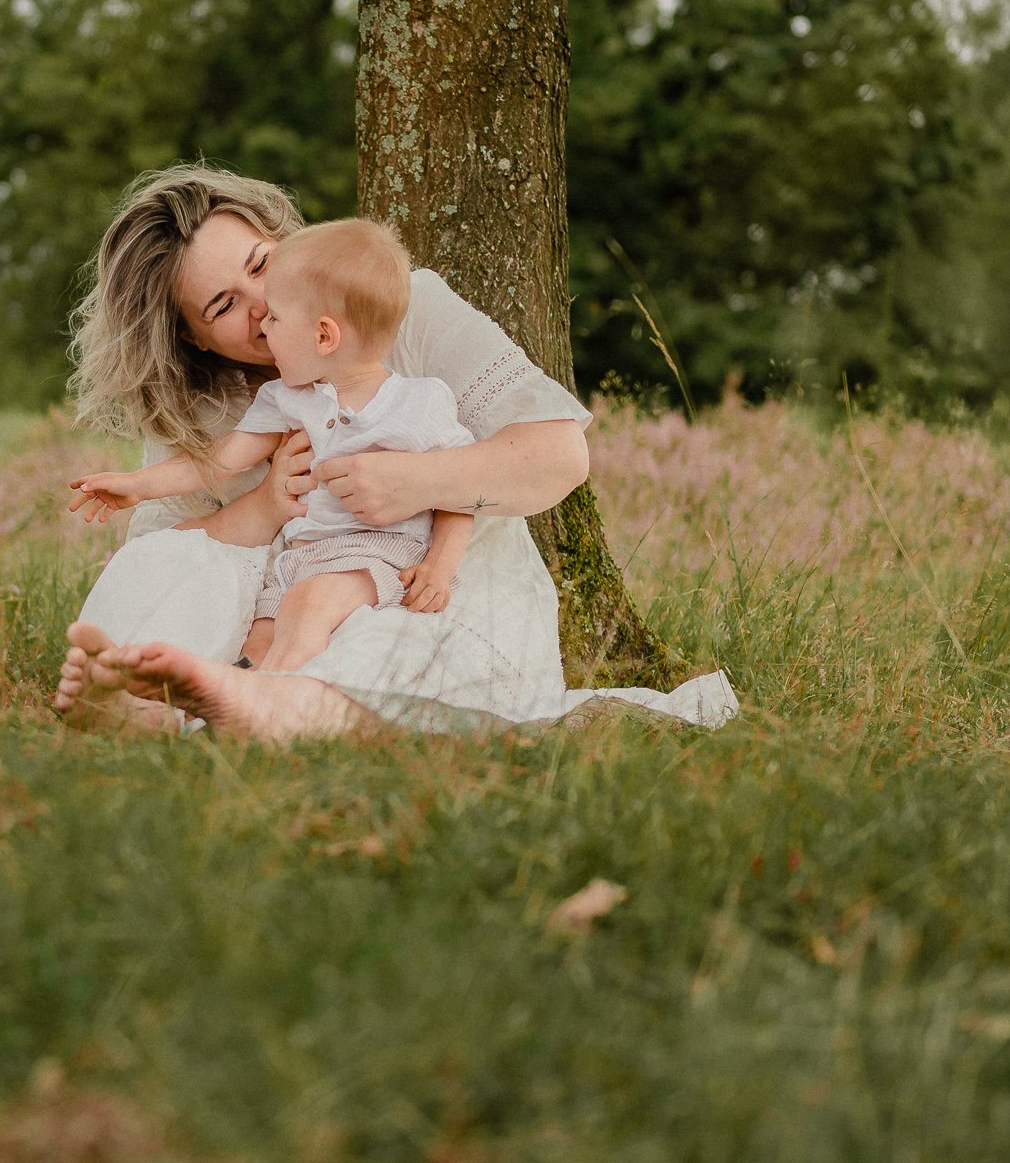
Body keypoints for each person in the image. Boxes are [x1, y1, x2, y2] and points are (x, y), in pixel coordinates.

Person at [53, 165, 738, 742]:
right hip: (286, 592)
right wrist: (263, 506)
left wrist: (417, 481)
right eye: (223, 305)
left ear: (280, 236)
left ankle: (266, 705)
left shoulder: (402, 309)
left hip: (426, 584)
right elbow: (172, 547)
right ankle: (139, 697)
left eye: (261, 263)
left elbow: (559, 455)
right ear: (191, 338)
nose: (261, 303)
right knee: (162, 562)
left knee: (375, 636)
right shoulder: (196, 399)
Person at [68, 218, 477, 675]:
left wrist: (439, 567)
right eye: (227, 305)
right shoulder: (287, 399)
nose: (263, 319)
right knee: (261, 636)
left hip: (379, 553)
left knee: (309, 605)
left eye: (276, 319)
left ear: (323, 336)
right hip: (299, 559)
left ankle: (266, 699)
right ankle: (214, 696)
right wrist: (138, 485)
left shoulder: (418, 401)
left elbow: (459, 490)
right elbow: (221, 460)